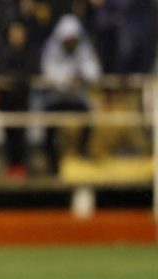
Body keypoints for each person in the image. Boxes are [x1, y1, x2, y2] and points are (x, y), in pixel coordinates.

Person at [41, 14, 100, 175]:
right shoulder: (52, 47)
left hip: (77, 98)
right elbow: (49, 71)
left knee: (89, 117)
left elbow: (94, 71)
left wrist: (81, 75)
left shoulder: (83, 47)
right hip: (55, 99)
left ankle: (82, 153)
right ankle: (52, 165)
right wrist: (68, 78)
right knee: (49, 130)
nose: (71, 42)